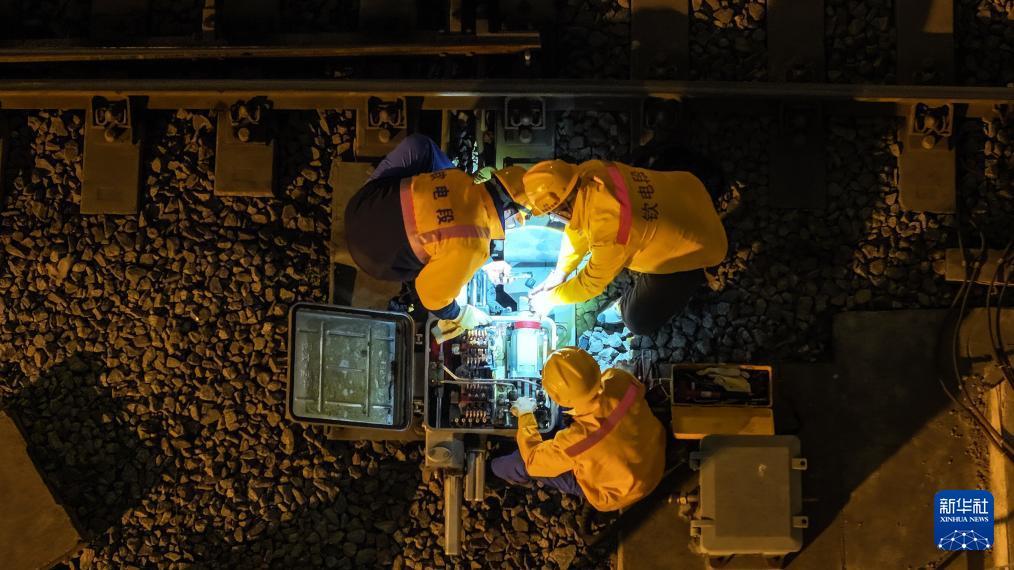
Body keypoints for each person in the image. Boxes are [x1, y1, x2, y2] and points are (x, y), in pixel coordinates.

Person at [345, 134, 527, 341]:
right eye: (517, 221)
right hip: (371, 257)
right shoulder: (476, 246)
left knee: (421, 147)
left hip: (361, 206)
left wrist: (482, 264)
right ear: (510, 212)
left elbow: (449, 227)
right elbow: (432, 297)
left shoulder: (457, 177)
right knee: (429, 270)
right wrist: (459, 315)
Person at [519, 159, 728, 336]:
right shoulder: (591, 171)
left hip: (704, 244)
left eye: (551, 214)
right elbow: (576, 226)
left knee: (637, 320)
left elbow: (590, 284)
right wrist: (560, 274)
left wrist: (550, 298)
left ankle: (691, 274)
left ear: (560, 209)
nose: (552, 218)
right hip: (690, 188)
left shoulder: (609, 231)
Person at [490, 347, 666, 511]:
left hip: (618, 492)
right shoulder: (619, 379)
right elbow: (634, 388)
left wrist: (525, 414)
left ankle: (491, 470)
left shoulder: (577, 441)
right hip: (653, 460)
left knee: (513, 464)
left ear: (558, 398)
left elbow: (533, 462)